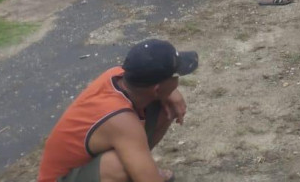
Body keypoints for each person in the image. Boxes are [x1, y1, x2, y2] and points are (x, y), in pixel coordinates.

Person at [38, 39, 198, 182]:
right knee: (118, 166)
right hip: (60, 179)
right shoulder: (121, 121)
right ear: (156, 89)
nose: (178, 79)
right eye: (176, 75)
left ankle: (139, 167)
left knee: (164, 108)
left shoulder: (119, 75)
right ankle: (137, 171)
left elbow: (156, 90)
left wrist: (170, 92)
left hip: (89, 163)